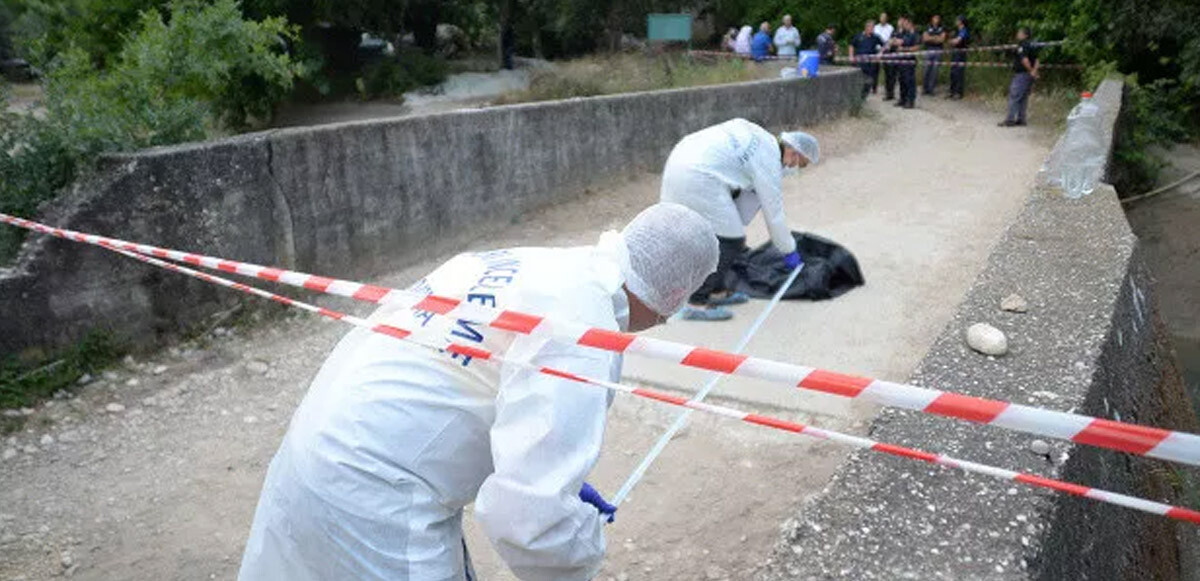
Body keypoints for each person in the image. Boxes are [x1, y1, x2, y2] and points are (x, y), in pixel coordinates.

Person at [237, 203, 719, 581]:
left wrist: (556, 480)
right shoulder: (583, 330)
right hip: (373, 490)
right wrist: (581, 543)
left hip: (318, 442)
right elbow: (529, 517)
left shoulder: (534, 264)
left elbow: (463, 380)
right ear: (672, 301)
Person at [659, 119, 819, 321]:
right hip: (699, 177)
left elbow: (746, 205)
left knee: (723, 237)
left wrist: (733, 227)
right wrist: (789, 251)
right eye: (799, 163)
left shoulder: (763, 142)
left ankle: (717, 290)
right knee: (731, 241)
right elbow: (774, 215)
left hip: (680, 165)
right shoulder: (768, 160)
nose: (794, 167)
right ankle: (696, 302)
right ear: (794, 152)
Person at [1000, 27, 1039, 127]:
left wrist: (1030, 71)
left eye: (1020, 32)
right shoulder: (1032, 45)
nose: (1018, 34)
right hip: (1028, 74)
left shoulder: (1022, 45)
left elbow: (1024, 60)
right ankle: (1021, 119)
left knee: (1014, 95)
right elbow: (1037, 60)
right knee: (1023, 97)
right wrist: (1034, 71)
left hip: (1022, 74)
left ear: (1025, 35)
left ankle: (1010, 119)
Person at [849, 19, 884, 99]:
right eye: (871, 27)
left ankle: (863, 97)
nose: (873, 29)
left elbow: (884, 46)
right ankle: (856, 96)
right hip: (859, 62)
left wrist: (880, 54)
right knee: (858, 80)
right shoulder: (858, 36)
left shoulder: (875, 37)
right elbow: (851, 45)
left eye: (873, 27)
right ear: (867, 27)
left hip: (870, 63)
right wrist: (851, 56)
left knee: (869, 81)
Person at [892, 16, 920, 109]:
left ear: (910, 24)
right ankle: (903, 99)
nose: (904, 25)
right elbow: (898, 41)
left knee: (909, 81)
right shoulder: (905, 34)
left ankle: (910, 101)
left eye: (906, 24)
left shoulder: (914, 34)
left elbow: (916, 47)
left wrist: (904, 49)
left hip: (909, 61)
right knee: (902, 80)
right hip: (901, 60)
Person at [921, 14, 947, 96]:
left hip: (938, 50)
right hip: (928, 50)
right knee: (926, 69)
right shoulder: (928, 27)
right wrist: (935, 37)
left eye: (938, 18)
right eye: (935, 18)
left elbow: (942, 40)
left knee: (934, 71)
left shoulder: (942, 28)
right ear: (932, 19)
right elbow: (925, 38)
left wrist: (931, 38)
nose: (936, 20)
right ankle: (925, 89)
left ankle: (931, 89)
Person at [947, 15, 970, 99]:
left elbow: (957, 41)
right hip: (955, 53)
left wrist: (951, 41)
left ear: (961, 22)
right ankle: (952, 91)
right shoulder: (957, 31)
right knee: (953, 72)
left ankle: (958, 93)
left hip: (961, 53)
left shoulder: (964, 31)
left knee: (959, 73)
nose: (956, 21)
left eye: (958, 20)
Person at [874, 12, 895, 97]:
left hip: (886, 50)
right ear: (879, 18)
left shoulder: (890, 27)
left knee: (888, 71)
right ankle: (874, 88)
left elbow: (891, 39)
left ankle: (888, 90)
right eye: (881, 17)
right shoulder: (876, 27)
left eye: (884, 17)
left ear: (887, 19)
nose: (883, 19)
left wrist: (885, 48)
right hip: (876, 50)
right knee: (875, 70)